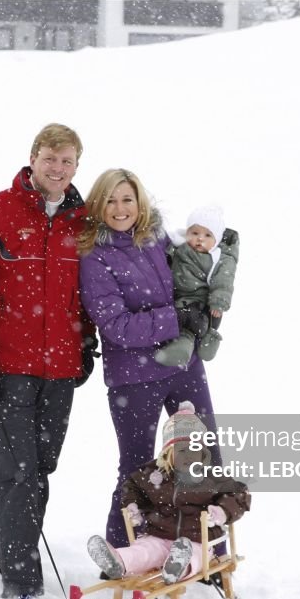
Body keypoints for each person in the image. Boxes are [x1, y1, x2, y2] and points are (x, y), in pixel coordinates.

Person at [0, 123, 98, 599]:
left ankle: (0, 551)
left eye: (68, 162)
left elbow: (92, 288)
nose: (58, 170)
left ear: (78, 166)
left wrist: (85, 342)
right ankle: (23, 585)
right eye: (50, 159)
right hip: (7, 366)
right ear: (32, 158)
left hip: (60, 367)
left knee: (40, 466)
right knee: (20, 471)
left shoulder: (84, 220)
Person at [77, 168, 224, 551]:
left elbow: (195, 272)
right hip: (134, 377)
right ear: (99, 205)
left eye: (127, 199)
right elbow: (116, 325)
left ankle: (210, 555)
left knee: (205, 455)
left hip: (183, 366)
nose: (120, 208)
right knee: (139, 471)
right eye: (110, 200)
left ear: (140, 202)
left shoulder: (157, 240)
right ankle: (125, 555)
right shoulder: (94, 257)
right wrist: (177, 319)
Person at [87, 402, 251, 584]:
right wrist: (132, 505)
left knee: (194, 556)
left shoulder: (210, 476)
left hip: (197, 541)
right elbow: (131, 486)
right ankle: (118, 561)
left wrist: (222, 511)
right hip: (159, 535)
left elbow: (239, 493)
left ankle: (177, 567)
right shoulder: (155, 474)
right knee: (145, 550)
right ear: (168, 451)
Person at [155, 204, 239, 367]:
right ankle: (200, 340)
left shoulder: (217, 259)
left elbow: (223, 282)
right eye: (195, 233)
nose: (200, 238)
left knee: (188, 323)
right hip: (174, 296)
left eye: (208, 235)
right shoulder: (179, 246)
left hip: (196, 302)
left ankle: (185, 348)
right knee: (169, 318)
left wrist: (219, 302)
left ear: (217, 240)